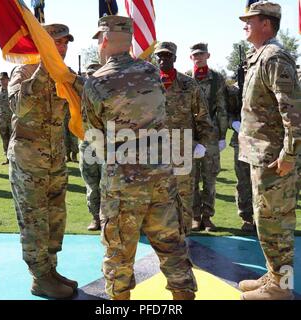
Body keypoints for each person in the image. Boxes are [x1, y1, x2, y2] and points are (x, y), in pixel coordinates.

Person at [82, 15, 197, 300]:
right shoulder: (151, 72)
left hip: (122, 181)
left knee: (119, 250)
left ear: (105, 40)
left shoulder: (96, 83)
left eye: (99, 40)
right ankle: (183, 296)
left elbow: (94, 133)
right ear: (130, 40)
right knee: (171, 244)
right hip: (161, 176)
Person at [8, 24, 83, 299]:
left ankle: (51, 270)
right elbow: (18, 106)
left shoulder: (64, 74)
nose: (62, 48)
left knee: (55, 218)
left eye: (65, 43)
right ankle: (39, 277)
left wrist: (68, 77)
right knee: (34, 220)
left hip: (55, 160)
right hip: (29, 163)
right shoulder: (25, 71)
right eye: (57, 43)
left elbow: (88, 97)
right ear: (43, 45)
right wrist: (44, 69)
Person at [238, 1, 301, 300]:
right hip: (261, 156)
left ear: (267, 23)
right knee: (266, 222)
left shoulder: (274, 57)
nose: (244, 24)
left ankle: (282, 287)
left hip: (276, 160)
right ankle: (274, 275)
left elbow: (293, 112)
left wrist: (289, 154)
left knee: (277, 225)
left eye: (250, 20)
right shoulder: (260, 56)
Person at [154, 41, 214, 234]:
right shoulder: (148, 83)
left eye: (168, 56)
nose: (164, 60)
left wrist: (202, 143)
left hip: (182, 148)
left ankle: (185, 238)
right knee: (158, 197)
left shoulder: (189, 84)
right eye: (160, 56)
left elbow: (203, 116)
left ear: (175, 58)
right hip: (154, 150)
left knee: (184, 196)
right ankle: (163, 239)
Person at [187, 43, 228, 232]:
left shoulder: (217, 79)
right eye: (195, 55)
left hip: (210, 135)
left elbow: (221, 108)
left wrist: (221, 135)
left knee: (210, 178)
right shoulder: (186, 78)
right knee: (192, 178)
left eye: (201, 54)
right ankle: (195, 217)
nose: (198, 57)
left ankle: (208, 217)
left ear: (208, 55)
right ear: (191, 58)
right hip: (192, 135)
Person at [226, 83, 255, 232]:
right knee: (243, 180)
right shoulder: (234, 90)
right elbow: (227, 112)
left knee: (264, 181)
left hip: (266, 138)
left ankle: (264, 217)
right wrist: (233, 123)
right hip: (242, 140)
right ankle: (247, 217)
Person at [79, 62, 103, 231]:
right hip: (87, 144)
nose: (92, 78)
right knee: (91, 183)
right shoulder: (78, 95)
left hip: (105, 143)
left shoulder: (108, 95)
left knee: (108, 183)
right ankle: (95, 217)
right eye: (89, 75)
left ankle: (108, 217)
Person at [0, 72, 13, 165]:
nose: (3, 81)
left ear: (8, 80)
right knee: (5, 139)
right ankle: (7, 158)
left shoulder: (13, 90)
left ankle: (14, 158)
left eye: (4, 79)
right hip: (2, 120)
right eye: (1, 80)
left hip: (13, 119)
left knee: (14, 139)